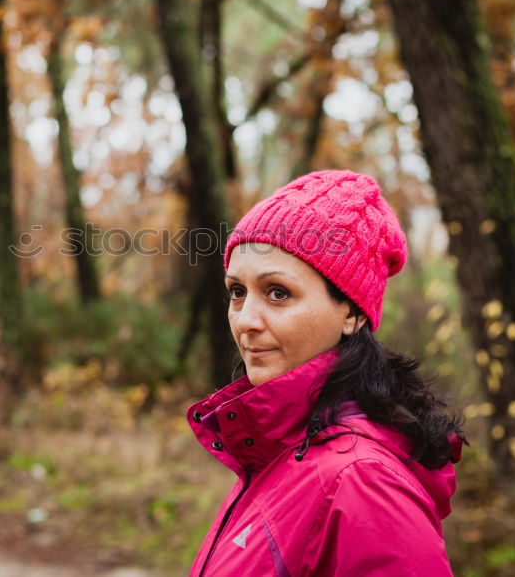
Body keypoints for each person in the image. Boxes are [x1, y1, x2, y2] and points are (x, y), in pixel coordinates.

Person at [187, 169, 464, 576]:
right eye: (237, 292)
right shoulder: (282, 449)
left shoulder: (362, 483)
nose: (245, 320)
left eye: (278, 293)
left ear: (351, 312)